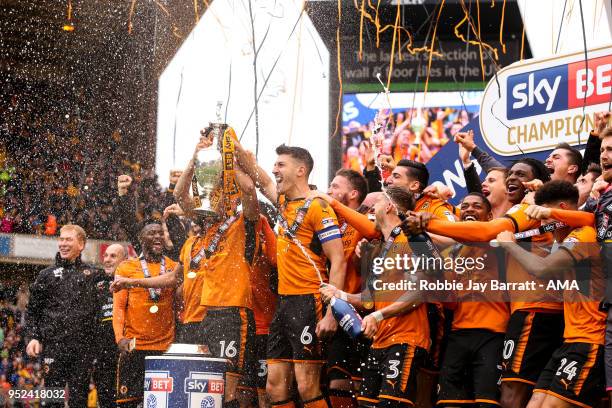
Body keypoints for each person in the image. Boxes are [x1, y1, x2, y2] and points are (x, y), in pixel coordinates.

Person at [113, 127, 261, 408]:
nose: (211, 197)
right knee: (208, 389)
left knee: (229, 392)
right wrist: (196, 157)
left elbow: (250, 190)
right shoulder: (199, 237)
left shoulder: (243, 225)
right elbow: (180, 196)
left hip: (233, 311)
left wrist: (228, 157)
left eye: (218, 193)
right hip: (207, 315)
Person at [237, 143, 347, 408]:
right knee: (274, 388)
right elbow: (256, 177)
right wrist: (227, 144)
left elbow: (338, 259)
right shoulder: (285, 201)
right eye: (274, 165)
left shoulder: (318, 206)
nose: (274, 170)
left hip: (309, 301)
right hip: (284, 304)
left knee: (307, 385)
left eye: (281, 165)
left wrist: (334, 312)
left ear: (301, 170)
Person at [497, 180, 606, 408]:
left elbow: (542, 269)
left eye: (546, 219)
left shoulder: (583, 234)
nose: (542, 225)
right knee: (534, 404)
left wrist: (509, 245)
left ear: (562, 210)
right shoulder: (567, 240)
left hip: (589, 341)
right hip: (569, 341)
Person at [320, 186, 431, 408]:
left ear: (389, 206)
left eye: (376, 204)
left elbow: (421, 291)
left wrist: (379, 315)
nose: (371, 210)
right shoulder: (381, 248)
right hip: (379, 341)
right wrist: (339, 294)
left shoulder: (411, 240)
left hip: (405, 339)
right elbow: (370, 298)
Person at [436, 193, 510, 407]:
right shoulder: (452, 253)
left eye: (477, 206)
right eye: (465, 206)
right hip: (458, 334)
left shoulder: (497, 241)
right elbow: (449, 301)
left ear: (489, 217)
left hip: (493, 334)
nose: (469, 209)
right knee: (449, 402)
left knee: (487, 402)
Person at [25, 224, 105, 407]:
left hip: (83, 350)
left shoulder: (93, 275)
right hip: (54, 348)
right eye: (61, 239)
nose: (63, 243)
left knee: (78, 401)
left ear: (81, 244)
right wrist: (34, 337)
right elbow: (32, 310)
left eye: (68, 239)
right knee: (53, 400)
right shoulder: (46, 275)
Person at [113, 221, 177, 407]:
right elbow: (118, 308)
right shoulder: (126, 268)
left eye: (160, 233)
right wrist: (119, 338)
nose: (157, 236)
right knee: (129, 403)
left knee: (161, 403)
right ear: (141, 239)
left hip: (164, 349)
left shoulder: (173, 267)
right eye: (151, 233)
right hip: (134, 347)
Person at [325, 169, 369, 408]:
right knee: (336, 380)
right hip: (336, 310)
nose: (329, 191)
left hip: (360, 312)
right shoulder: (334, 224)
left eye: (334, 186)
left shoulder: (365, 223)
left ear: (352, 193)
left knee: (359, 382)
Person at [94, 243, 126, 408]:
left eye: (113, 256)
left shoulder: (132, 282)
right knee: (105, 399)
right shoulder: (96, 283)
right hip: (102, 353)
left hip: (124, 351)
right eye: (105, 255)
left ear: (124, 260)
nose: (107, 259)